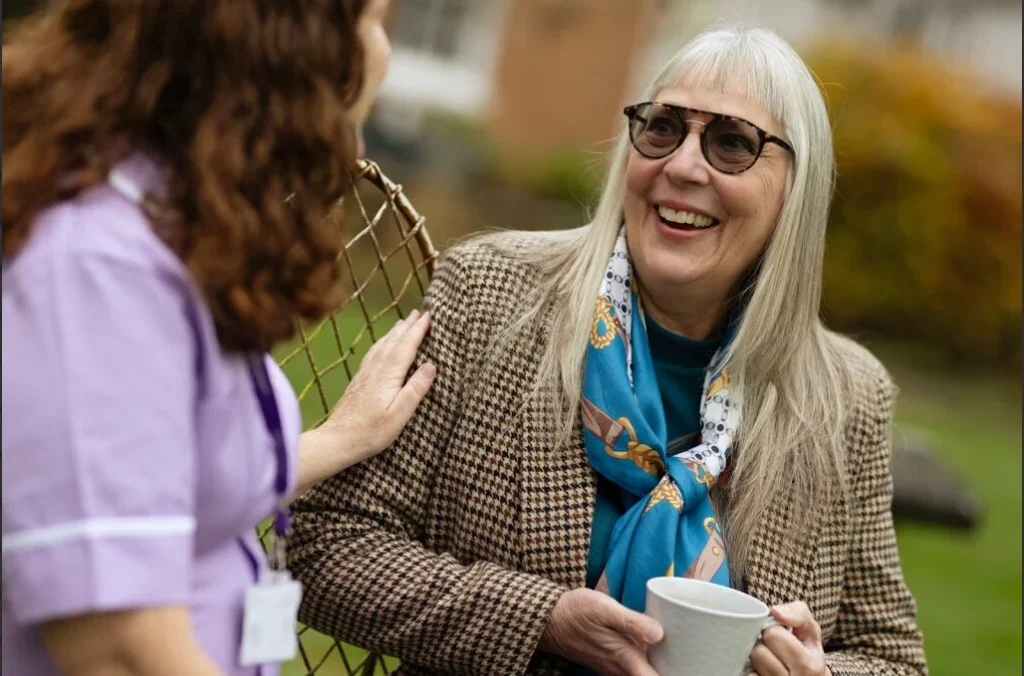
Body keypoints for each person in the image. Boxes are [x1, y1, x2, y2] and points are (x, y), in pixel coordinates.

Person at [288, 26, 928, 676]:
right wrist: (542, 619)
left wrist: (816, 673)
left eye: (732, 143)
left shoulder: (846, 396)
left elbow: (893, 658)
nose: (682, 164)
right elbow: (326, 544)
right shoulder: (491, 296)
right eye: (663, 128)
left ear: (798, 187)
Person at [0, 1, 435, 674]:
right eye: (376, 20)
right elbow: (116, 646)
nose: (383, 53)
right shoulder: (99, 269)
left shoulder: (173, 231)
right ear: (292, 46)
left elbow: (172, 477)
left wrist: (340, 440)